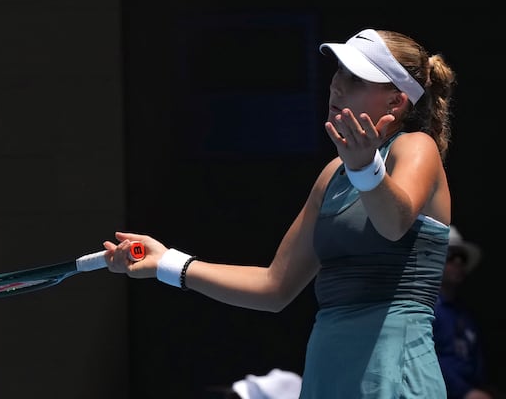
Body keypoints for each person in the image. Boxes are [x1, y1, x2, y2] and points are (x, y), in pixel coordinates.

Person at [104, 28, 457, 398]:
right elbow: (275, 287)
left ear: (396, 102)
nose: (336, 86)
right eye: (338, 72)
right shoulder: (332, 176)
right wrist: (167, 263)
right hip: (326, 371)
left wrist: (365, 167)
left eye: (356, 78)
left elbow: (394, 224)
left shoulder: (417, 148)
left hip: (392, 370)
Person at [433, 226, 496, 399]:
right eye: (451, 256)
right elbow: (429, 359)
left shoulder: (465, 313)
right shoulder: (427, 311)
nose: (458, 263)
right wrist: (465, 392)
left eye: (462, 258)